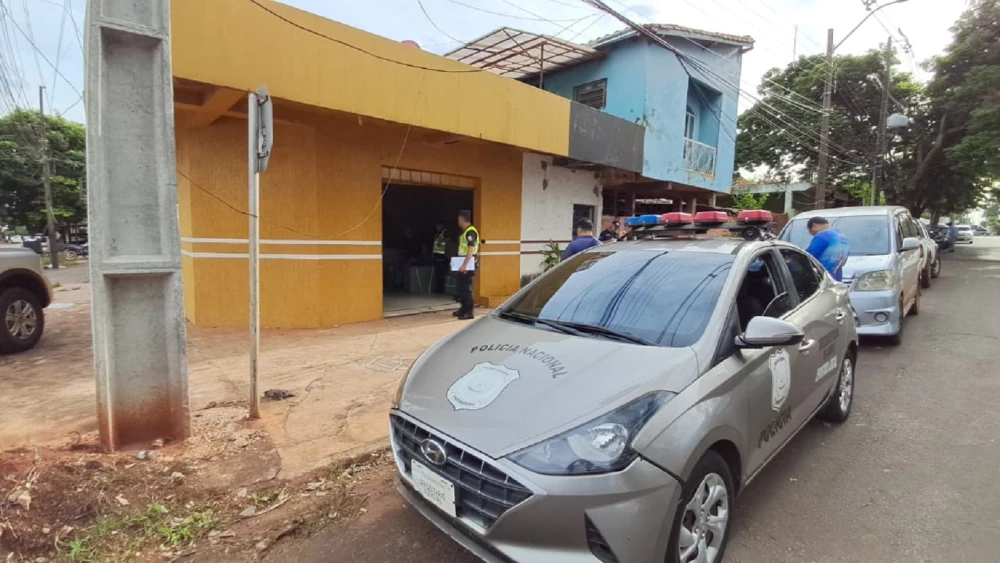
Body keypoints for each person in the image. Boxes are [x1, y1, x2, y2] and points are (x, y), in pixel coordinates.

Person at [804, 217, 849, 281]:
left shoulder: (823, 235)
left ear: (814, 226)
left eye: (810, 231)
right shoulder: (842, 236)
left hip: (824, 276)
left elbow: (810, 255)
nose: (812, 234)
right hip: (837, 276)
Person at [454, 210, 478, 320]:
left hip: (468, 264)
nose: (458, 221)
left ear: (462, 219)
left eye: (458, 219)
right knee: (461, 288)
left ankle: (469, 312)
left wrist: (464, 265)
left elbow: (470, 249)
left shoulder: (470, 232)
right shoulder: (465, 231)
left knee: (466, 289)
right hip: (463, 263)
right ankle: (463, 309)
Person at [431, 221, 450, 294]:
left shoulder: (445, 233)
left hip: (442, 256)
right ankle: (438, 288)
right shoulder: (437, 234)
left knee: (441, 273)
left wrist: (442, 240)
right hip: (437, 255)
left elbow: (448, 241)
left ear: (441, 226)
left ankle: (440, 289)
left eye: (438, 226)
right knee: (437, 273)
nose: (437, 228)